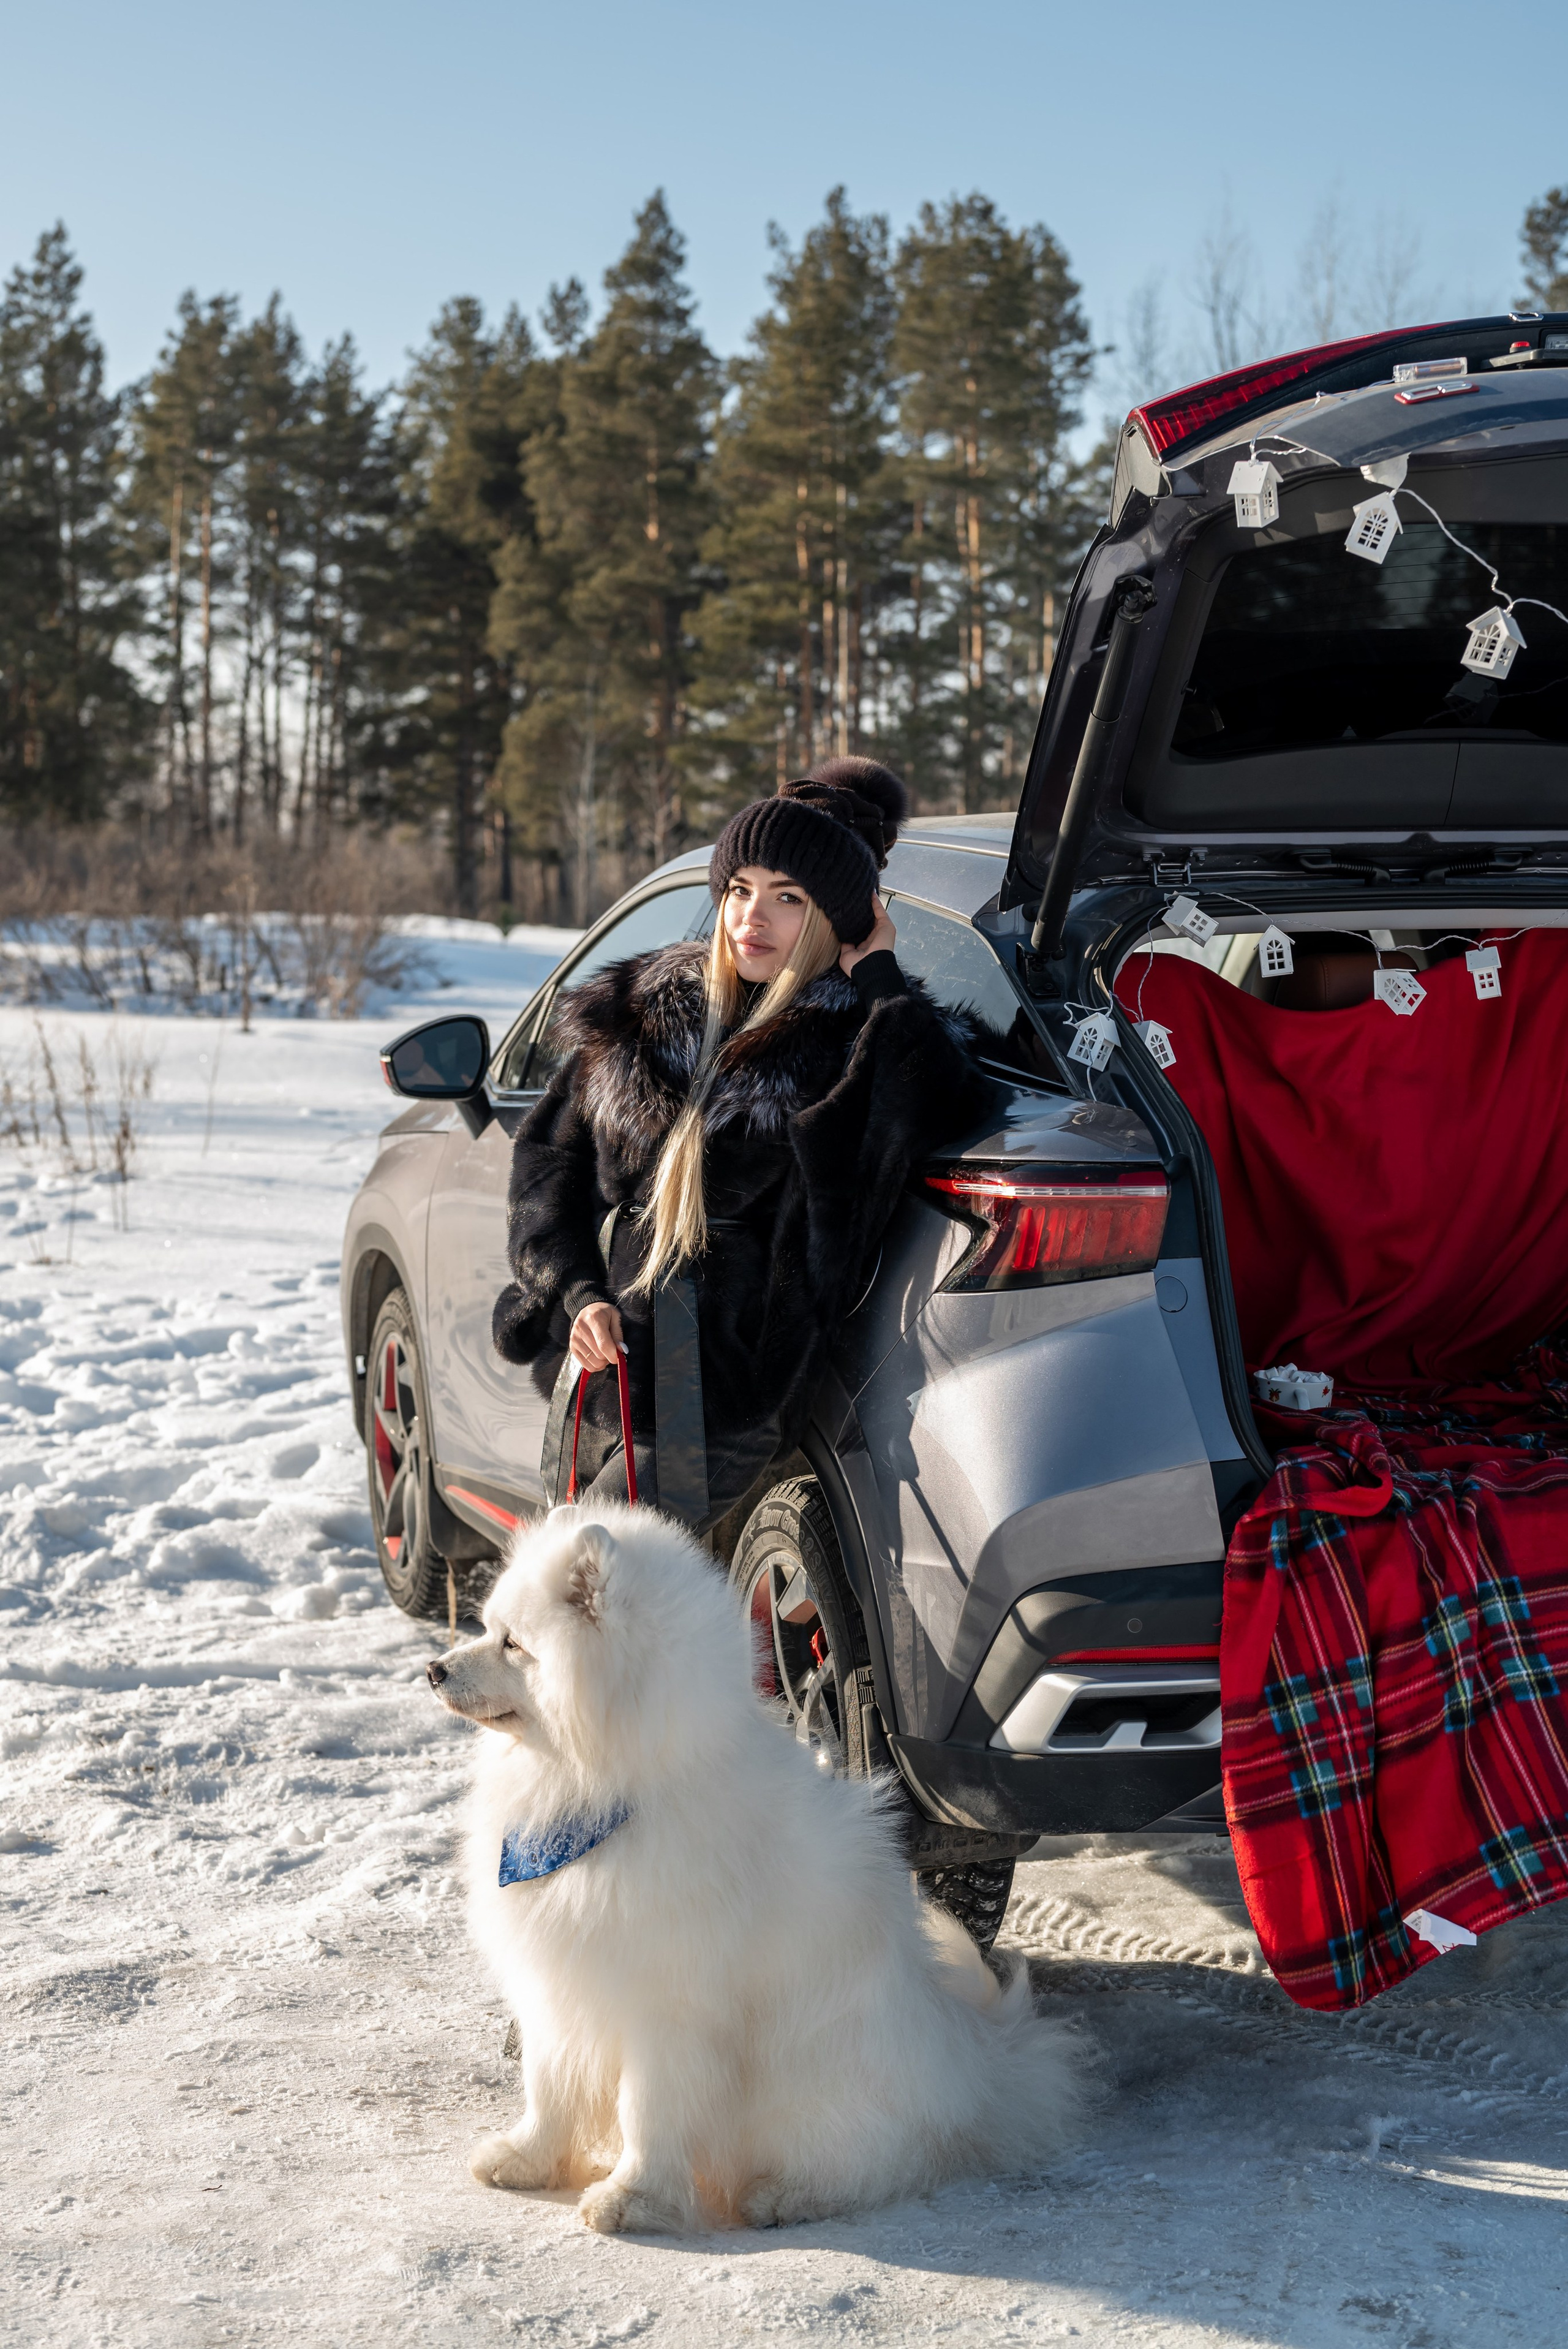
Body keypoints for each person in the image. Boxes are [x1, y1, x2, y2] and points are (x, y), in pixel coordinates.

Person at [491, 758, 994, 1532]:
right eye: (739, 890)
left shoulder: (860, 1042)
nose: (751, 918)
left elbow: (936, 1104)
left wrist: (880, 977)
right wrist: (575, 1292)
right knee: (576, 1583)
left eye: (788, 898)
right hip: (603, 1371)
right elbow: (548, 1162)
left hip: (718, 1398)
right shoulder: (642, 1008)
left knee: (591, 1579)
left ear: (836, 918)